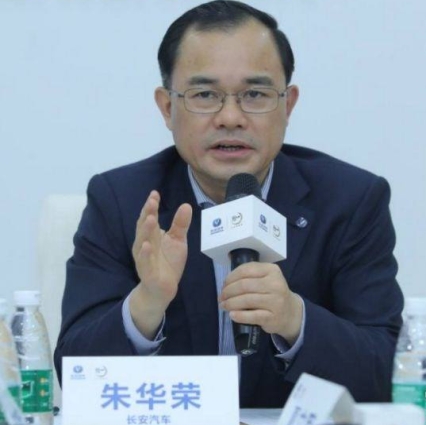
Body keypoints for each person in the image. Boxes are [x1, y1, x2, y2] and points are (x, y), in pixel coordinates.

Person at [54, 0, 403, 407]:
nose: (231, 117)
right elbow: (76, 376)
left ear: (287, 105)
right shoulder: (122, 201)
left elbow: (390, 374)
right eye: (205, 94)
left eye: (255, 94)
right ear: (167, 107)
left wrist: (294, 319)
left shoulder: (351, 201)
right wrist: (145, 305)